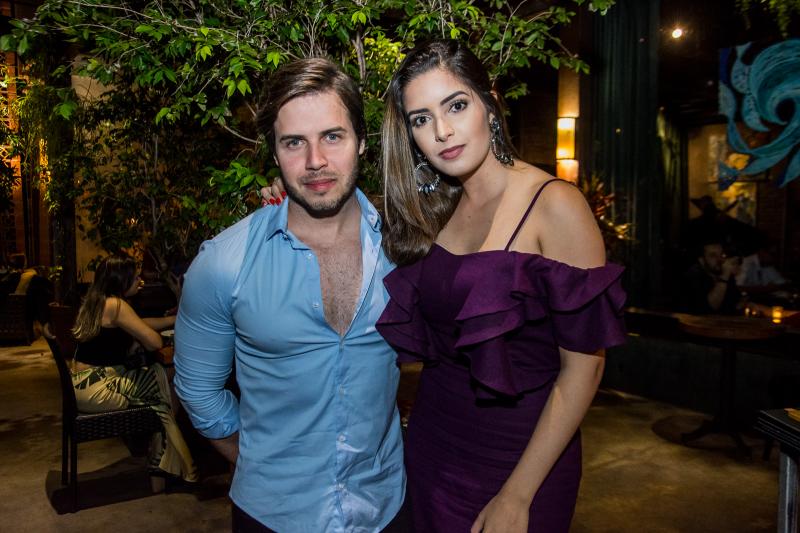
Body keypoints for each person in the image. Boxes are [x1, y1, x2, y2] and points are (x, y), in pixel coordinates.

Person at [374, 40, 627, 533]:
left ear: (489, 104)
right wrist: (283, 202)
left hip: (521, 458)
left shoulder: (555, 205)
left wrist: (517, 494)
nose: (442, 131)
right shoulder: (435, 209)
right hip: (431, 445)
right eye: (421, 119)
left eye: (456, 105)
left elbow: (584, 369)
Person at [174, 58, 405, 532]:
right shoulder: (223, 264)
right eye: (294, 142)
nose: (315, 160)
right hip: (271, 515)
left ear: (362, 141)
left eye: (332, 136)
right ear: (274, 153)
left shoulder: (404, 252)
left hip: (387, 509)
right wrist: (259, 462)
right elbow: (198, 391)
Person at [70, 255, 197, 485]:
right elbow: (155, 343)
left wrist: (173, 319)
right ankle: (162, 460)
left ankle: (162, 459)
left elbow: (140, 323)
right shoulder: (116, 305)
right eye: (136, 277)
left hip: (82, 386)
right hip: (99, 389)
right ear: (122, 280)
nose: (140, 280)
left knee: (164, 385)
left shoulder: (98, 300)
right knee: (175, 378)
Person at [681, 239, 743, 314]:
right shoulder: (693, 277)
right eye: (713, 256)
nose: (720, 259)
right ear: (701, 260)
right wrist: (724, 277)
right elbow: (709, 308)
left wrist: (746, 304)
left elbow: (735, 303)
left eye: (721, 255)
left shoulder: (724, 274)